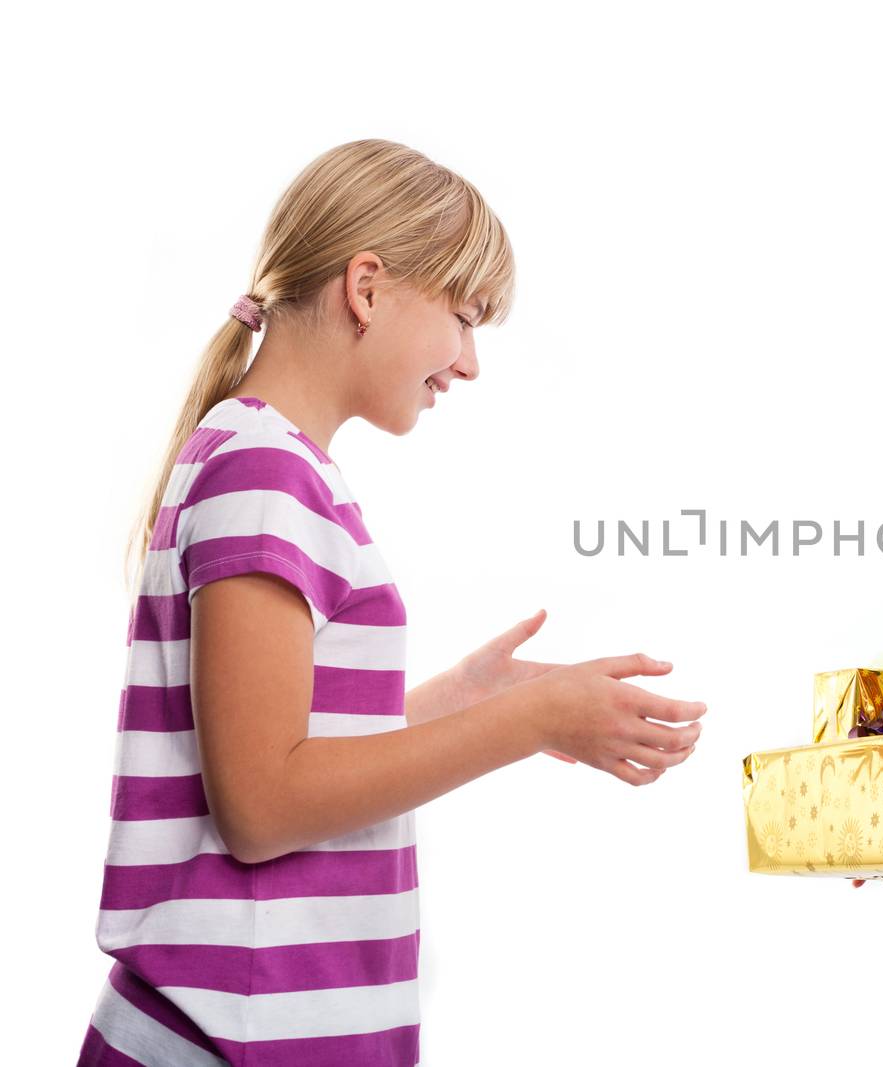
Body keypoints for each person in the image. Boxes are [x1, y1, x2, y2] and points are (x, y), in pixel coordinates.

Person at [78, 139, 707, 1066]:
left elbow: (270, 745)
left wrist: (451, 701)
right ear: (366, 288)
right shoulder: (265, 473)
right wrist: (533, 719)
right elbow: (259, 804)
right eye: (464, 316)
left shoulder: (262, 459)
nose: (471, 361)